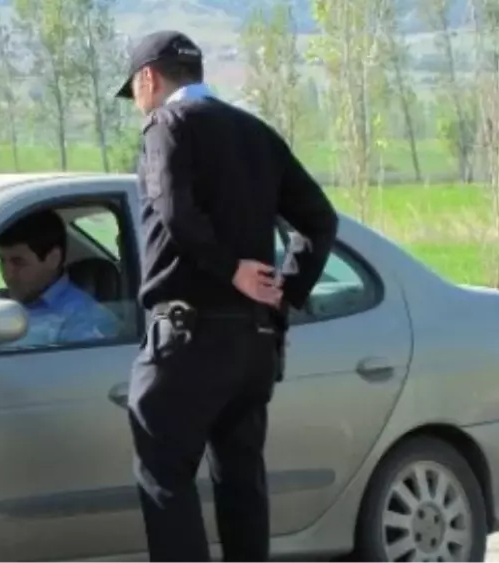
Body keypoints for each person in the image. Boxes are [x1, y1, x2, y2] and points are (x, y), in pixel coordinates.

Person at [116, 30, 338, 563]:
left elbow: (173, 210)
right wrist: (285, 289)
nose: (138, 106)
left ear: (148, 79)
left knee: (164, 476)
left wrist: (231, 269)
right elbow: (319, 219)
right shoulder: (256, 133)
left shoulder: (166, 126)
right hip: (254, 343)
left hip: (187, 340)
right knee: (241, 482)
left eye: (136, 93)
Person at [0, 210, 122, 346]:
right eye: (2, 261)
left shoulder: (84, 318)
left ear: (53, 258)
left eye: (18, 262)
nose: (7, 274)